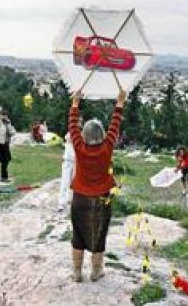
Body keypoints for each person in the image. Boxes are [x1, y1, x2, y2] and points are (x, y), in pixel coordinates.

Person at [68, 90, 125, 282]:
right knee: (99, 235)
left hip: (80, 198)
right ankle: (96, 271)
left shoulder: (78, 146)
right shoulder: (107, 146)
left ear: (84, 134)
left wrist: (75, 103)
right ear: (102, 134)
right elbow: (115, 124)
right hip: (102, 197)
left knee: (78, 234)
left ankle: (77, 272)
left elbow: (72, 126)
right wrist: (119, 102)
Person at [0, 108, 15, 182]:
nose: (5, 117)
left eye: (6, 116)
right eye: (3, 115)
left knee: (8, 158)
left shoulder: (8, 123)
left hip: (5, 143)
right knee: (5, 160)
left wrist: (9, 125)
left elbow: (13, 132)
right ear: (1, 116)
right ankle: (4, 177)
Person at [58, 130, 76, 213]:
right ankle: (61, 203)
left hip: (76, 163)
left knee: (74, 183)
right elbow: (68, 138)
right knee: (65, 182)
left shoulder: (80, 136)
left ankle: (70, 199)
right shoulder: (69, 134)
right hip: (67, 161)